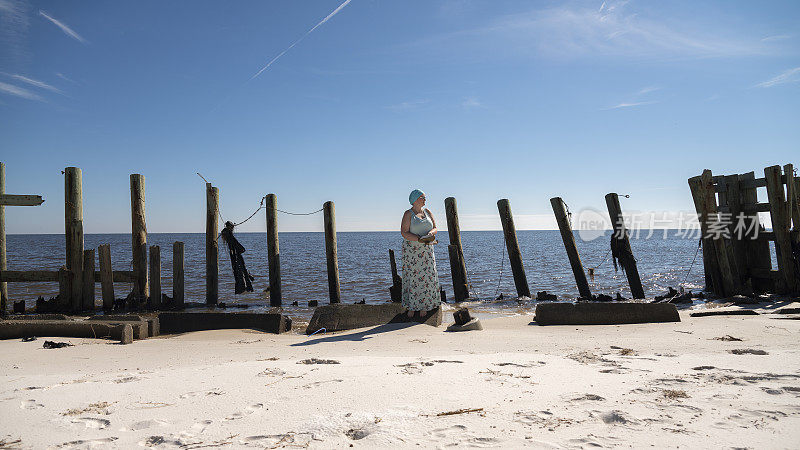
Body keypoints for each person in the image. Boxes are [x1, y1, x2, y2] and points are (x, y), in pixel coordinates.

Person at [400, 189, 441, 318]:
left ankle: (425, 305)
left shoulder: (428, 212)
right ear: (415, 199)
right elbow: (404, 232)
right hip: (412, 251)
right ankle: (412, 306)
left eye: (425, 197)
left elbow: (435, 227)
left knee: (427, 278)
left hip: (427, 249)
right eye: (422, 197)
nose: (425, 199)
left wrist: (430, 234)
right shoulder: (408, 214)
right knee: (413, 278)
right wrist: (418, 238)